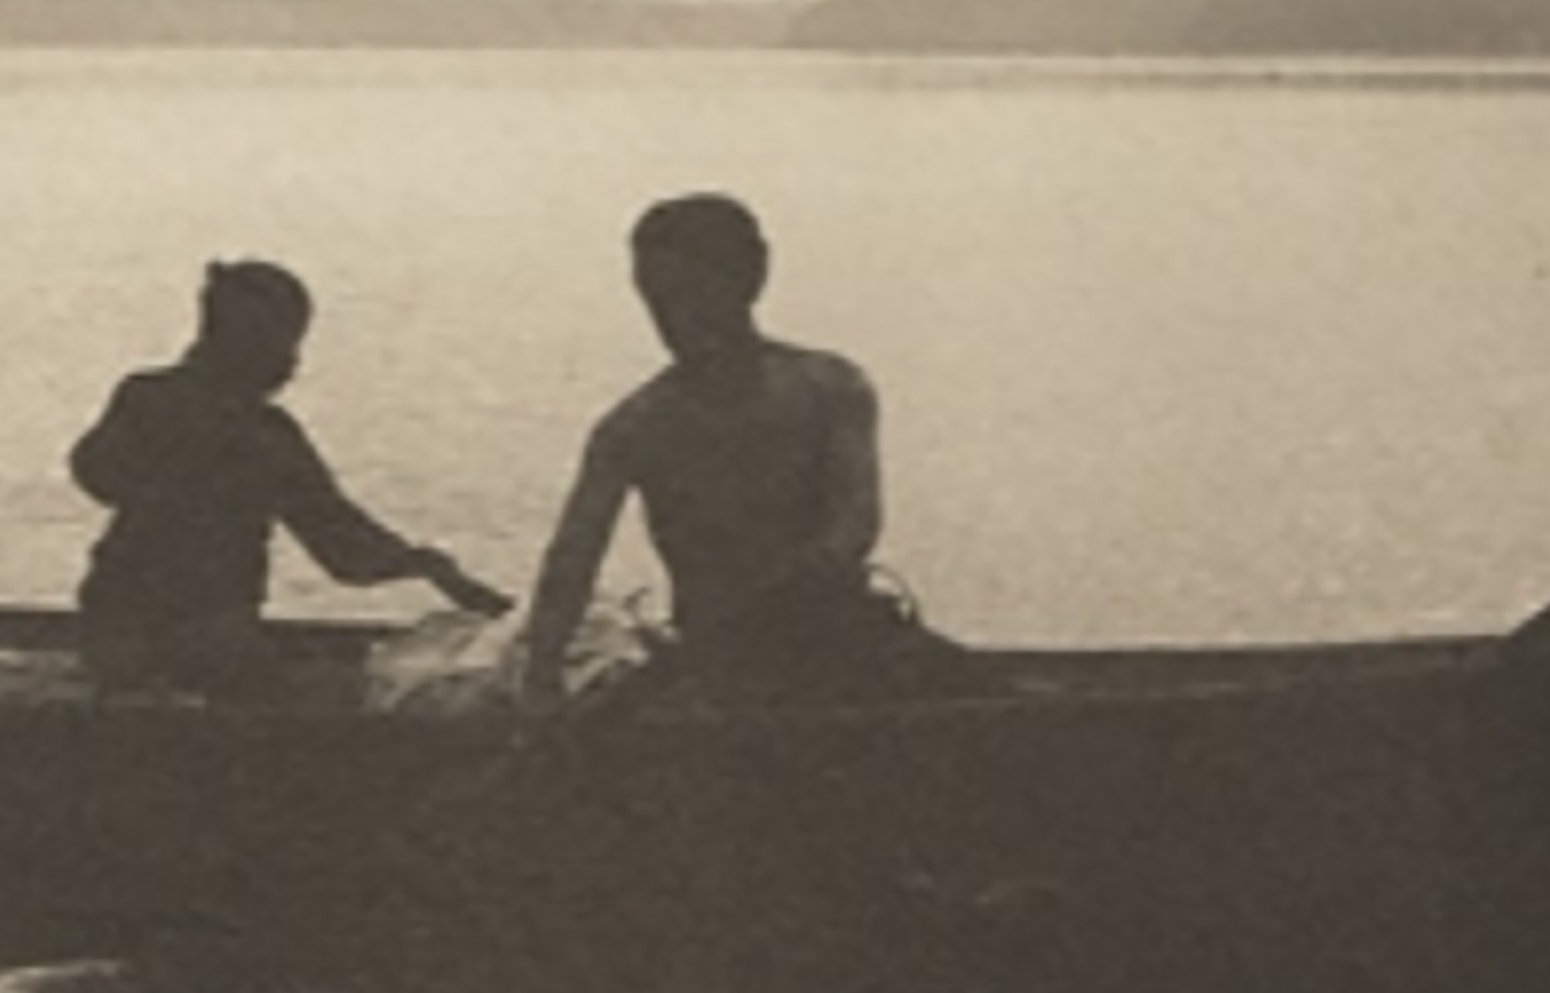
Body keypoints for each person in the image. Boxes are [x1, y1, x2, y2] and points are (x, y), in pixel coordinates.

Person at [509, 193, 920, 704]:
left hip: (841, 642)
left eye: (693, 295)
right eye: (657, 301)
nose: (675, 320)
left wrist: (785, 592)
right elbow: (572, 562)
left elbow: (855, 525)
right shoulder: (634, 428)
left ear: (752, 279)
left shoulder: (831, 388)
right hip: (717, 664)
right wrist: (541, 674)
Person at [70, 260, 511, 696]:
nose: (293, 360)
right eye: (285, 342)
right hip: (204, 636)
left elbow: (94, 474)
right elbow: (342, 546)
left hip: (112, 626)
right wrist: (432, 569)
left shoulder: (146, 397)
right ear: (252, 342)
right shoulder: (264, 434)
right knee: (330, 694)